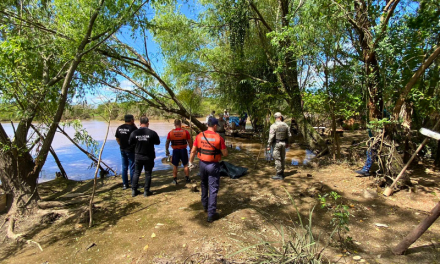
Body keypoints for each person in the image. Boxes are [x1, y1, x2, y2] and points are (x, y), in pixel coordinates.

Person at [189, 118, 228, 223]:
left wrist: (190, 163)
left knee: (204, 185)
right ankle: (211, 214)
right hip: (213, 165)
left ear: (208, 125)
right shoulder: (219, 138)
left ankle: (205, 206)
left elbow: (193, 151)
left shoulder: (199, 136)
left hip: (202, 164)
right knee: (213, 188)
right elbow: (225, 154)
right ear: (215, 126)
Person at [128, 116, 160, 197]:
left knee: (136, 173)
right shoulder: (152, 133)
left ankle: (134, 191)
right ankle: (146, 191)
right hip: (149, 156)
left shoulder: (134, 133)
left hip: (138, 156)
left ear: (139, 123)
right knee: (148, 173)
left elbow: (130, 143)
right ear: (148, 123)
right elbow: (157, 142)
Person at [165, 119, 193, 185]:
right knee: (185, 164)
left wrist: (167, 150)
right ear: (180, 124)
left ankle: (175, 180)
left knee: (175, 165)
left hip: (175, 151)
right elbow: (189, 141)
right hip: (183, 150)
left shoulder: (170, 133)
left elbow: (167, 142)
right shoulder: (185, 132)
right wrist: (191, 149)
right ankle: (187, 178)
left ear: (174, 124)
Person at [115, 114, 137, 190]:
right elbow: (136, 137)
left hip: (122, 149)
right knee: (132, 167)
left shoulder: (119, 128)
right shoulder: (133, 128)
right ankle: (133, 184)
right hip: (131, 150)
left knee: (124, 167)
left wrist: (121, 145)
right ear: (131, 120)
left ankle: (125, 184)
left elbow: (117, 138)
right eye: (133, 119)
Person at [267, 112, 291, 180]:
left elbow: (271, 137)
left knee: (277, 159)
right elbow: (289, 135)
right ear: (280, 117)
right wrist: (288, 143)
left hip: (276, 144)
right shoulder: (286, 125)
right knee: (282, 158)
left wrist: (268, 145)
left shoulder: (273, 126)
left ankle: (279, 174)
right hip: (284, 143)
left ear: (275, 118)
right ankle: (282, 172)